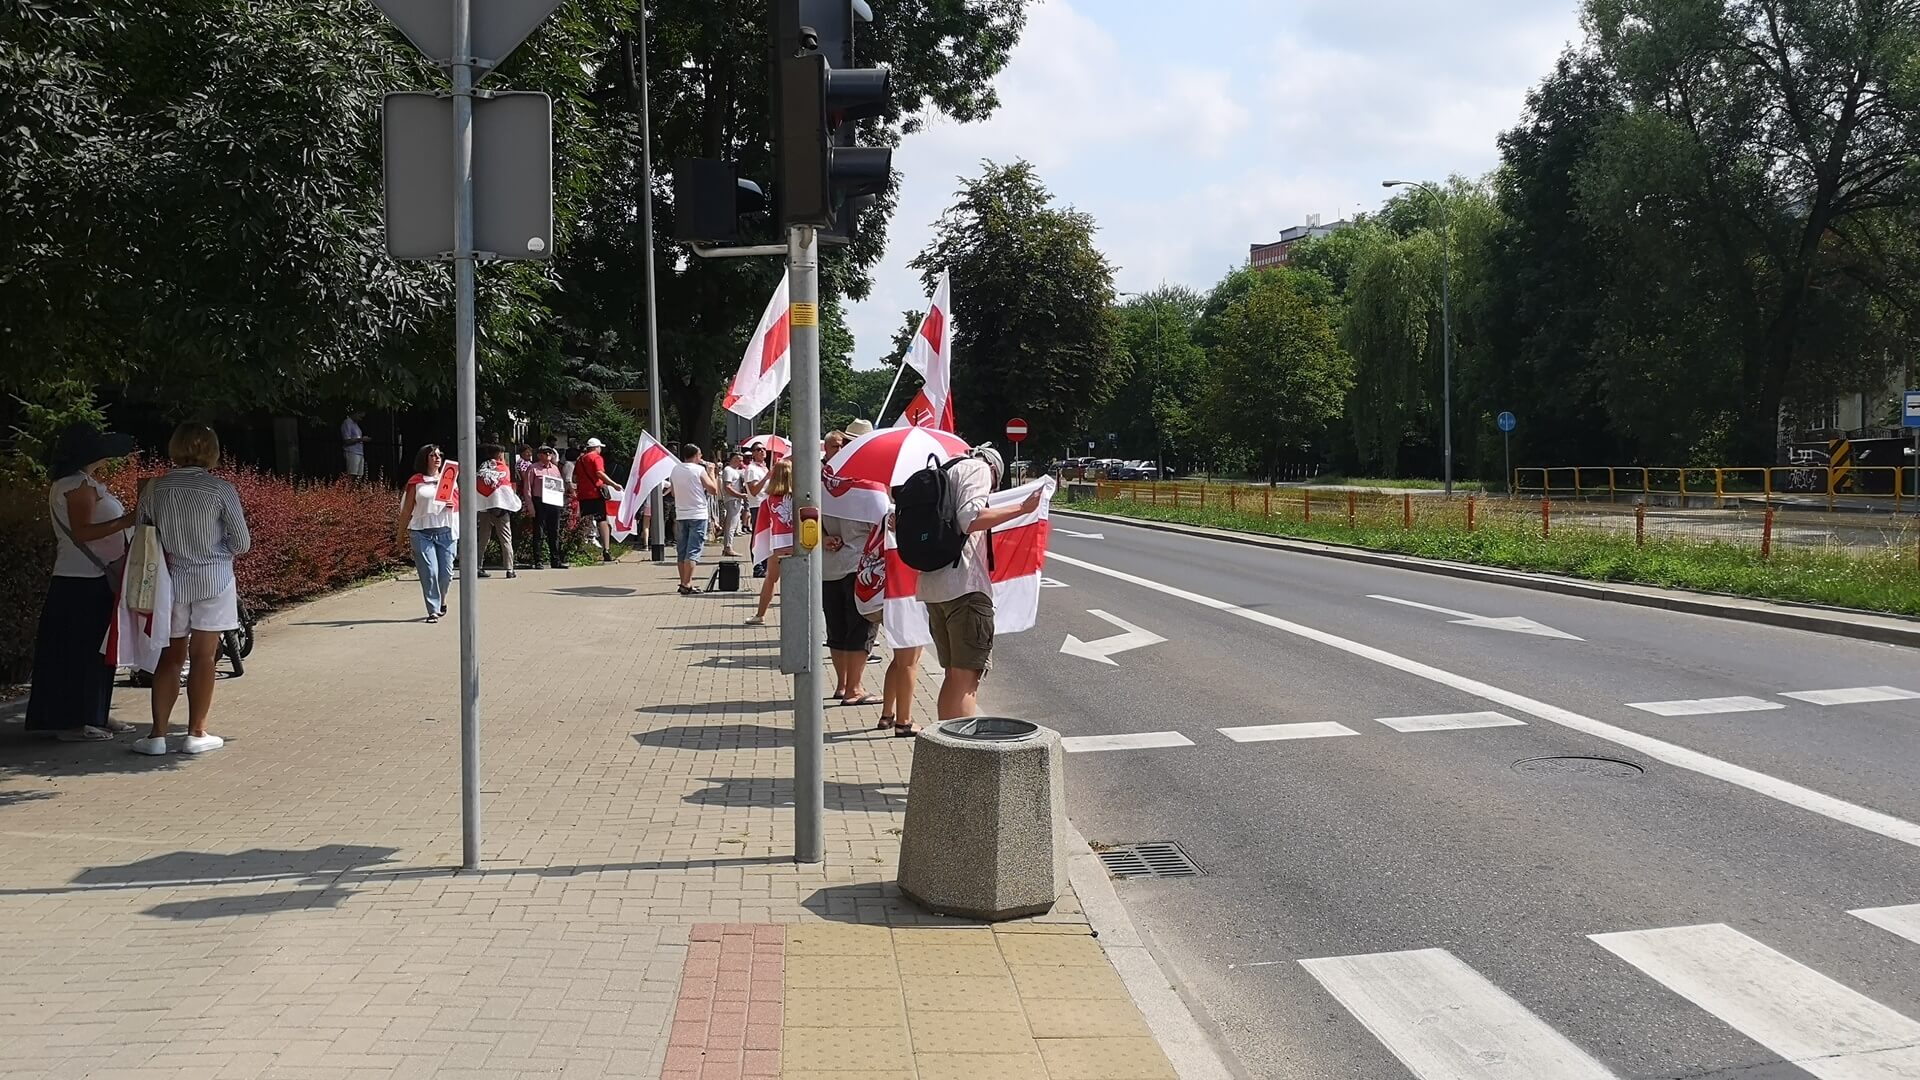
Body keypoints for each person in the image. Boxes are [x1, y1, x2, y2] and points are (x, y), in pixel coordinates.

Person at [134, 423, 252, 756]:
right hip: (214, 578)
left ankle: (157, 735)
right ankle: (196, 733)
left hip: (170, 579)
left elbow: (143, 533)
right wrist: (218, 551)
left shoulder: (155, 489)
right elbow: (242, 543)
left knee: (171, 658)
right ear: (212, 451)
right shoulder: (221, 489)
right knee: (203, 657)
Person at [27, 423, 139, 742]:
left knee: (93, 650)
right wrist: (126, 520)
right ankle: (76, 720)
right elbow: (83, 532)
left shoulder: (76, 482)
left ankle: (94, 713)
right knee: (82, 651)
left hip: (83, 577)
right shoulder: (77, 485)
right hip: (82, 579)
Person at [915, 445, 1042, 720]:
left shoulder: (944, 470)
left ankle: (944, 741)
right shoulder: (978, 469)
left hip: (933, 587)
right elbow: (969, 518)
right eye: (993, 487)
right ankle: (961, 745)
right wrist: (1022, 508)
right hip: (965, 588)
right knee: (966, 681)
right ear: (994, 470)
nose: (990, 492)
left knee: (952, 676)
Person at [820, 466, 879, 708]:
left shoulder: (822, 486)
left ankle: (842, 685)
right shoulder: (869, 487)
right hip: (861, 568)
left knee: (837, 629)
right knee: (860, 629)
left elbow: (808, 520)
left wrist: (824, 537)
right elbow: (881, 527)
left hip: (829, 567)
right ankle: (854, 688)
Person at [396, 444, 456, 622]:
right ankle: (433, 610)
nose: (437, 458)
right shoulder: (416, 481)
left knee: (446, 574)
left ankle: (442, 600)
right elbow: (407, 509)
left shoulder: (449, 478)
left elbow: (460, 503)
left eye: (439, 455)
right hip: (421, 532)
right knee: (429, 572)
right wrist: (400, 534)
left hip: (445, 531)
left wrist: (453, 504)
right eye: (432, 455)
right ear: (424, 459)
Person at [746, 458, 794, 625]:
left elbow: (762, 528)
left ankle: (760, 615)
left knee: (771, 579)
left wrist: (761, 548)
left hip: (778, 545)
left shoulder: (767, 501)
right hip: (800, 544)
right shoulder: (802, 497)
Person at [670, 443, 720, 595]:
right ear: (696, 455)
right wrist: (711, 473)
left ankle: (683, 582)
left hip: (681, 513)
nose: (701, 457)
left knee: (682, 550)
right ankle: (687, 584)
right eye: (700, 455)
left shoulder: (675, 469)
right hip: (698, 514)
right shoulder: (699, 470)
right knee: (693, 550)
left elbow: (673, 493)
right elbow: (713, 490)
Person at [474, 443, 519, 579]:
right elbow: (506, 489)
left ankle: (477, 567)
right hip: (500, 507)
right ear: (500, 455)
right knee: (505, 538)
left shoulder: (481, 469)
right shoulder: (504, 468)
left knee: (483, 538)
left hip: (484, 507)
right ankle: (509, 569)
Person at [574, 437, 617, 562]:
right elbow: (599, 473)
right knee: (602, 520)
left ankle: (581, 548)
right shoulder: (596, 458)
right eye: (599, 447)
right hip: (596, 494)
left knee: (585, 521)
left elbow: (575, 478)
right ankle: (606, 549)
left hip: (583, 494)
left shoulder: (580, 460)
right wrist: (613, 484)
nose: (600, 450)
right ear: (596, 448)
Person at [525, 445, 567, 569]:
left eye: (550, 452)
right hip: (539, 502)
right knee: (539, 532)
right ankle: (538, 560)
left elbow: (560, 484)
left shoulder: (555, 468)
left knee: (554, 532)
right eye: (545, 452)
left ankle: (556, 560)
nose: (548, 454)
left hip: (554, 502)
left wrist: (561, 493)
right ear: (539, 455)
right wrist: (530, 505)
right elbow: (527, 488)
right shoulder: (533, 468)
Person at [744, 443, 771, 577]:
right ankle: (757, 566)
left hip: (767, 504)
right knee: (758, 535)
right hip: (758, 505)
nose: (762, 451)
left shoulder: (765, 468)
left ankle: (765, 564)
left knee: (765, 536)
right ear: (753, 453)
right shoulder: (751, 469)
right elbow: (754, 491)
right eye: (758, 450)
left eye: (763, 449)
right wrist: (766, 478)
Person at [718, 451, 746, 558]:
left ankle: (728, 547)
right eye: (738, 459)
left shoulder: (736, 471)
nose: (740, 462)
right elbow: (727, 487)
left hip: (736, 499)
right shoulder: (728, 470)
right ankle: (728, 547)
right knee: (731, 525)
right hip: (732, 500)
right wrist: (740, 495)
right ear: (733, 459)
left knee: (732, 524)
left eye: (741, 460)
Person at [341, 413, 370, 478]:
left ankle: (356, 485)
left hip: (360, 452)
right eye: (360, 417)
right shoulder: (347, 423)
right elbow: (346, 440)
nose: (360, 419)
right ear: (355, 413)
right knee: (352, 474)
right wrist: (361, 439)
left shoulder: (356, 424)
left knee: (359, 476)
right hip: (351, 452)